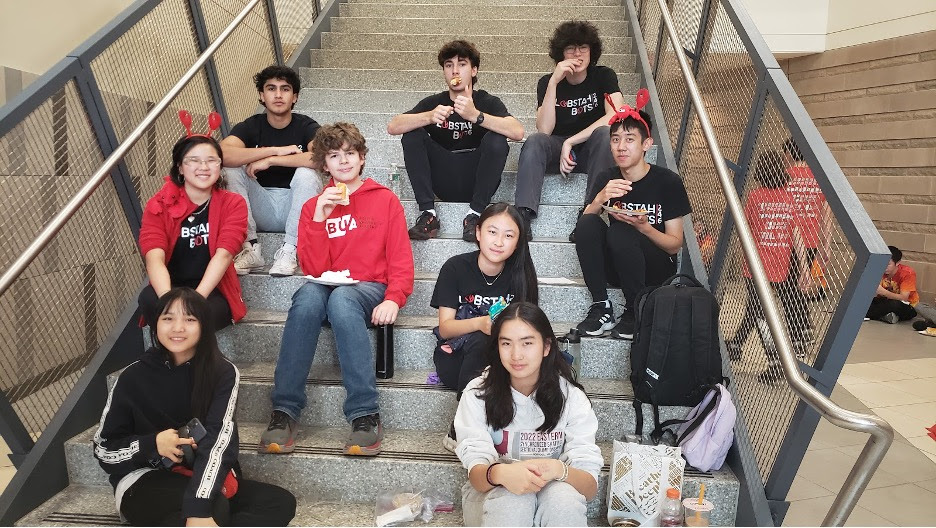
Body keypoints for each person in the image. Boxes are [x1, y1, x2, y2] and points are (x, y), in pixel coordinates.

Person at [260, 123, 414, 456]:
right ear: (324, 164)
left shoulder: (385, 201)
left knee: (343, 301)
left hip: (368, 287)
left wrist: (394, 298)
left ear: (361, 158)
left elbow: (401, 259)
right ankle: (284, 411)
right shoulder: (313, 206)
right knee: (305, 298)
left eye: (349, 154)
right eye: (333, 155)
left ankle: (365, 414)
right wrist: (318, 217)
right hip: (326, 283)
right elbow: (313, 269)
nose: (343, 161)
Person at [94, 287, 296, 526]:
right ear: (156, 324)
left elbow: (218, 443)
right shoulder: (132, 376)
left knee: (279, 502)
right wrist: (151, 444)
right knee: (213, 509)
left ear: (203, 326)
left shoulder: (223, 372)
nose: (177, 328)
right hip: (143, 480)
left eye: (189, 319)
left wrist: (199, 506)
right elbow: (104, 451)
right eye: (168, 318)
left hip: (199, 474)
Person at [455, 302, 603, 527]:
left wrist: (558, 469)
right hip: (493, 496)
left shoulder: (572, 398)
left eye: (527, 343)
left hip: (552, 492)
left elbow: (589, 487)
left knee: (563, 501)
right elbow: (476, 474)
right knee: (514, 500)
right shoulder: (478, 394)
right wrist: (501, 474)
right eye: (506, 343)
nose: (516, 355)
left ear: (546, 347)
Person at [573, 98, 690, 339]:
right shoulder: (608, 177)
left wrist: (645, 228)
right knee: (588, 222)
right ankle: (601, 306)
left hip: (656, 267)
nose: (621, 147)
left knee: (620, 231)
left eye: (629, 140)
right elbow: (584, 229)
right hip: (619, 263)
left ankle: (636, 309)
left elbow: (675, 244)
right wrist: (599, 198)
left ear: (646, 144)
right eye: (615, 140)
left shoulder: (667, 182)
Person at [387, 40, 525, 242]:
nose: (455, 71)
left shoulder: (487, 101)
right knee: (412, 133)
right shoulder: (435, 103)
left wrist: (476, 115)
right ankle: (428, 215)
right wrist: (428, 117)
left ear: (474, 70)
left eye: (462, 64)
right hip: (443, 178)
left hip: (476, 178)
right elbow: (393, 126)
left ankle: (475, 215)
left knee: (497, 138)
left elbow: (517, 132)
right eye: (449, 65)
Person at [431, 202, 539, 452]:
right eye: (492, 232)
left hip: (506, 359)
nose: (499, 241)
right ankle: (461, 423)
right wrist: (481, 323)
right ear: (478, 233)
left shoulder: (521, 274)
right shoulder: (455, 268)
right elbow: (446, 328)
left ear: (518, 242)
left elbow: (529, 329)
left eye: (509, 235)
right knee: (481, 340)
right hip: (457, 361)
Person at [514, 20, 625, 240]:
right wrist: (554, 83)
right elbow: (545, 129)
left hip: (593, 152)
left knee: (605, 135)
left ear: (591, 51)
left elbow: (616, 115)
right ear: (560, 54)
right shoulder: (547, 82)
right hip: (557, 152)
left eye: (583, 47)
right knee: (535, 140)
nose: (577, 54)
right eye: (570, 48)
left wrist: (571, 141)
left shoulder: (604, 76)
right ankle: (522, 217)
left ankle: (589, 214)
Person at [138, 131, 247, 332]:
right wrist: (169, 302)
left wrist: (193, 302)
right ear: (179, 167)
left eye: (211, 160)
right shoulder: (158, 205)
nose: (204, 167)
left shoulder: (233, 203)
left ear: (220, 166)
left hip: (212, 290)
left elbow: (224, 255)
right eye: (194, 161)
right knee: (149, 299)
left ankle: (175, 361)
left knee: (197, 315)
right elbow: (154, 258)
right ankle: (182, 361)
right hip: (170, 286)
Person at [221, 65, 322, 277]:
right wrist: (273, 150)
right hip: (260, 207)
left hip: (295, 206)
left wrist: (272, 160)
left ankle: (290, 250)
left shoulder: (306, 126)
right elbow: (222, 154)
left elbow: (321, 157)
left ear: (294, 97)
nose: (278, 95)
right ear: (261, 95)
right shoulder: (250, 126)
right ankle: (251, 249)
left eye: (285, 89)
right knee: (231, 170)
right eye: (271, 88)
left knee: (307, 173)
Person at [725, 151, 812, 383]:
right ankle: (736, 344)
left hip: (755, 266)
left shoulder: (755, 197)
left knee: (760, 313)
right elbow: (797, 235)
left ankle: (775, 363)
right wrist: (803, 268)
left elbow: (746, 231)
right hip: (779, 266)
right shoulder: (789, 197)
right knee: (755, 308)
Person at [866, 245, 919, 323]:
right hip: (884, 301)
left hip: (906, 304)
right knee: (863, 303)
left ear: (897, 263)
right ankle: (886, 316)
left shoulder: (907, 273)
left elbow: (904, 298)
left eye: (888, 264)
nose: (884, 267)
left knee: (894, 305)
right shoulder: (877, 269)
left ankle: (878, 315)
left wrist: (883, 292)